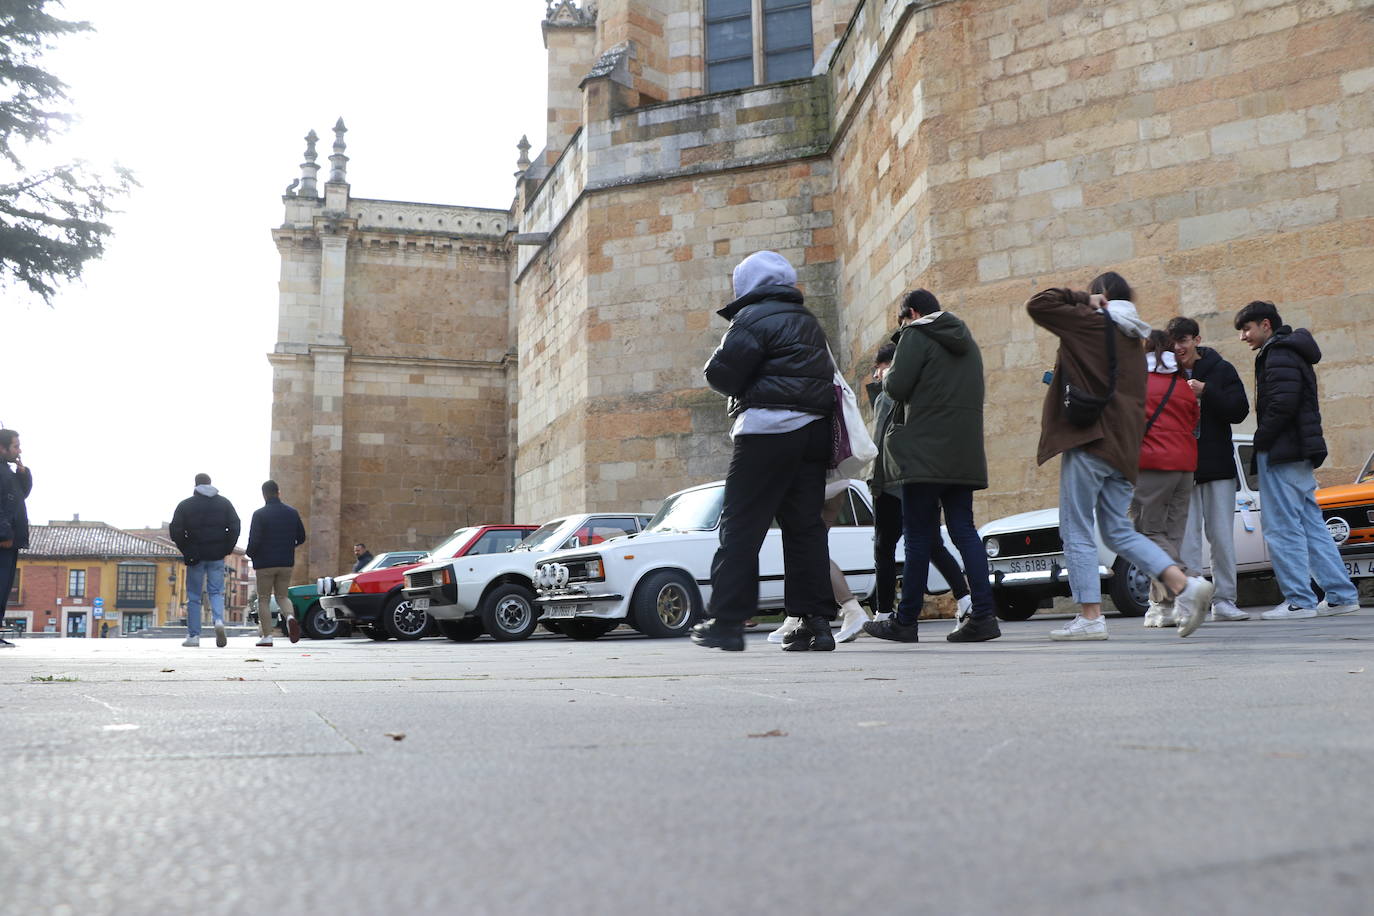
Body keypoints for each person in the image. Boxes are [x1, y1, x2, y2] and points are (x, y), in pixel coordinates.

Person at [1027, 272, 1213, 640]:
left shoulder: (1092, 323)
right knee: (1116, 531)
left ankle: (1091, 617)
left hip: (1091, 439)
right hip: (1124, 449)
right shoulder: (1136, 336)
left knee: (1076, 527)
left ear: (1103, 296)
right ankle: (1183, 584)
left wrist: (1082, 299)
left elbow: (1039, 304)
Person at [692, 250, 835, 652]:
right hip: (813, 434)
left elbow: (721, 373)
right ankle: (817, 623)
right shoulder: (809, 322)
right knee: (805, 529)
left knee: (741, 524)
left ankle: (728, 622)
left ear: (748, 285)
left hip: (768, 431)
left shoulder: (753, 318)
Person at [862, 288, 1000, 644]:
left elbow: (896, 385)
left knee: (919, 536)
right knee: (964, 531)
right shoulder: (966, 340)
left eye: (899, 319)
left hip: (923, 453)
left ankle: (905, 622)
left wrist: (888, 374)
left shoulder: (915, 335)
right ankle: (984, 615)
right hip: (963, 451)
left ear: (911, 312)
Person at [1234, 301, 1359, 619]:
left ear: (1265, 325)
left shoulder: (1278, 353)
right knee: (1311, 524)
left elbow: (1282, 404)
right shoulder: (1289, 351)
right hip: (1296, 451)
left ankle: (1299, 601)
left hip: (1282, 451)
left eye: (1246, 329)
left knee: (1280, 527)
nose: (1243, 337)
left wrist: (1261, 441)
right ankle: (1340, 595)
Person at [1169, 316, 1251, 621]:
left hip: (1218, 466)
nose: (1179, 347)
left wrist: (1207, 391)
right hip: (1182, 469)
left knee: (1221, 538)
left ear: (1196, 340)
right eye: (1174, 342)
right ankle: (1190, 604)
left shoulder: (1221, 369)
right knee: (1187, 541)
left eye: (1185, 340)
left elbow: (1240, 410)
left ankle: (1225, 600)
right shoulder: (1165, 374)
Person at [1132, 330, 1200, 628]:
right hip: (1185, 466)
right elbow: (1193, 421)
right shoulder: (1183, 385)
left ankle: (1187, 585)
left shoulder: (1138, 384)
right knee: (1171, 535)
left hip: (1151, 465)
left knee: (1146, 534)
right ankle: (1165, 606)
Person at [170, 473, 241, 648]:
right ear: (210, 484)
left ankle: (194, 636)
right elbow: (235, 526)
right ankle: (218, 620)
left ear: (195, 485)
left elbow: (176, 530)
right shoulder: (224, 503)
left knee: (194, 597)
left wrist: (186, 548)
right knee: (216, 592)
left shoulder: (185, 505)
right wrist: (226, 548)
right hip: (217, 555)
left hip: (195, 556)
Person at [246, 479, 308, 647]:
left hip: (265, 563)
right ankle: (289, 617)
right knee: (282, 596)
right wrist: (288, 546)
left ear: (264, 494)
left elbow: (255, 540)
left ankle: (267, 636)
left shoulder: (259, 514)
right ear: (278, 492)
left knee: (264, 599)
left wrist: (250, 553)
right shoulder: (292, 512)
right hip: (285, 562)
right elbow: (301, 537)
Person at [0, 429, 32, 648]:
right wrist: (3, 533)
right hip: (4, 540)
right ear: (2, 448)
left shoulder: (7, 471)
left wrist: (23, 474)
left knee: (3, 587)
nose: (19, 450)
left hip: (9, 540)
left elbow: (21, 496)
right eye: (15, 446)